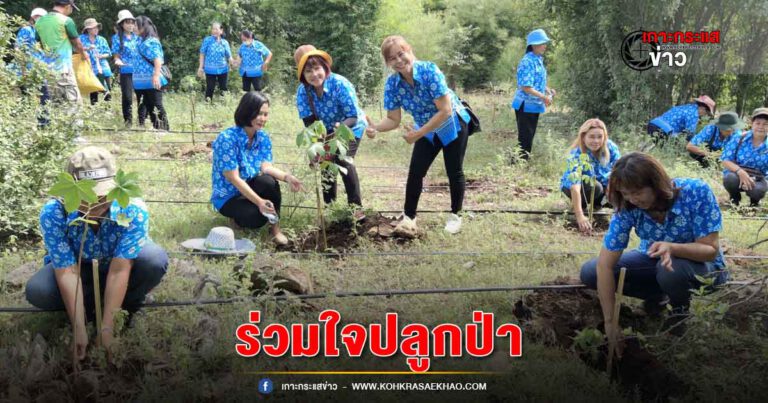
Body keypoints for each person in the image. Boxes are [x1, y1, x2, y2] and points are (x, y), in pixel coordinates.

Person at [25, 146, 168, 359]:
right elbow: (66, 270)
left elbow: (120, 269)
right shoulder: (54, 212)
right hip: (78, 269)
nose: (95, 202)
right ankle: (88, 309)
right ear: (71, 189)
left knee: (153, 260)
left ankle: (124, 306)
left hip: (121, 266)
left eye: (102, 194)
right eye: (86, 194)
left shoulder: (132, 207)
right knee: (39, 290)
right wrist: (79, 328)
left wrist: (107, 329)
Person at [580, 152, 727, 339]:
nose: (632, 199)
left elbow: (710, 251)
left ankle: (678, 311)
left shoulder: (696, 192)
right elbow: (605, 264)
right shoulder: (627, 206)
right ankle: (658, 296)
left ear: (656, 184)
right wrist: (610, 322)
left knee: (671, 269)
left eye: (637, 192)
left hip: (703, 267)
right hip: (654, 260)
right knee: (591, 271)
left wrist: (673, 248)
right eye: (625, 193)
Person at [365, 35, 471, 235]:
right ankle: (409, 217)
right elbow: (393, 119)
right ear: (387, 63)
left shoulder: (429, 71)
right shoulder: (392, 85)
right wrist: (376, 128)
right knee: (416, 172)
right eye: (392, 58)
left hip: (452, 122)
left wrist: (418, 134)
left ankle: (456, 216)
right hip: (425, 127)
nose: (398, 60)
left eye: (401, 53)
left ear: (409, 51)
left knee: (454, 170)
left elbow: (445, 110)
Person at [211, 91, 304, 246]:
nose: (263, 119)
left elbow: (266, 167)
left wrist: (288, 177)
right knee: (256, 218)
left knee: (269, 182)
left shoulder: (262, 137)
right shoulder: (226, 139)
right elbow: (234, 178)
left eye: (266, 114)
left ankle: (275, 229)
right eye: (259, 113)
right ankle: (236, 219)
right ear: (247, 111)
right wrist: (260, 202)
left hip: (249, 185)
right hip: (229, 195)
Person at [294, 45, 366, 208]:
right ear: (302, 74)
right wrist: (318, 147)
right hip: (325, 131)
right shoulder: (303, 92)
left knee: (343, 160)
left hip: (350, 127)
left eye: (317, 68)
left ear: (324, 67)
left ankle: (355, 209)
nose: (314, 74)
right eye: (307, 71)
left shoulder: (340, 84)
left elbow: (352, 117)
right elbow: (310, 123)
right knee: (326, 163)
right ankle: (329, 207)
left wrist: (336, 132)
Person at [560, 118, 621, 234]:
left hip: (604, 187)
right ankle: (580, 206)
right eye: (592, 137)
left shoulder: (610, 148)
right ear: (583, 137)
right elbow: (575, 186)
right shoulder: (577, 153)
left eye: (599, 137)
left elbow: (618, 172)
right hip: (580, 188)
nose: (596, 141)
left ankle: (600, 205)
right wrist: (579, 216)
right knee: (595, 186)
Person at [34, 0, 87, 124]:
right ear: (68, 6)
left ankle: (56, 135)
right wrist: (84, 56)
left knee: (55, 104)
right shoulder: (66, 21)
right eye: (72, 8)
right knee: (74, 102)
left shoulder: (40, 21)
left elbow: (39, 43)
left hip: (47, 70)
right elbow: (77, 43)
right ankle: (74, 136)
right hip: (64, 70)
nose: (71, 11)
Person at [510, 29, 556, 162]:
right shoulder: (527, 61)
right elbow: (525, 86)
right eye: (542, 43)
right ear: (534, 45)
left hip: (534, 104)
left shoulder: (537, 60)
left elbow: (536, 81)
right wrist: (544, 97)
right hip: (525, 105)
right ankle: (518, 164)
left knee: (528, 136)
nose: (545, 46)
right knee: (525, 137)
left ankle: (519, 162)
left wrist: (547, 90)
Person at [720, 108, 768, 207]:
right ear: (752, 123)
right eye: (758, 123)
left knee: (758, 190)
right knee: (729, 179)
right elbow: (725, 160)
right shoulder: (739, 138)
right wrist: (740, 172)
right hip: (737, 174)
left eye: (765, 124)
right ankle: (734, 199)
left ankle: (754, 203)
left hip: (758, 178)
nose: (761, 127)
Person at [133, 16, 169, 130]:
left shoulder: (151, 41)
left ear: (143, 27)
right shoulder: (139, 39)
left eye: (136, 25)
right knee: (148, 105)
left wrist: (156, 76)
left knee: (157, 104)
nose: (133, 27)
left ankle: (164, 128)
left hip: (152, 78)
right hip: (140, 80)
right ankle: (156, 127)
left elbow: (157, 59)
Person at [111, 10, 143, 127]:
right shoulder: (116, 38)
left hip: (140, 71)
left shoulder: (138, 38)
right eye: (127, 23)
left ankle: (142, 121)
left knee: (142, 97)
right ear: (122, 24)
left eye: (132, 22)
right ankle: (128, 122)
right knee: (128, 97)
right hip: (126, 71)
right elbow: (116, 56)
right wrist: (118, 60)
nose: (130, 25)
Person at [647, 95, 715, 140]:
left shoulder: (686, 107)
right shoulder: (694, 114)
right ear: (703, 108)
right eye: (706, 113)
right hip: (665, 130)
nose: (704, 115)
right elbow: (690, 135)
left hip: (653, 124)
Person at [79, 18, 112, 105]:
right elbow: (76, 49)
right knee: (93, 89)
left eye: (97, 27)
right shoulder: (81, 38)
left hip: (103, 66)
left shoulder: (102, 39)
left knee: (108, 90)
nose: (96, 29)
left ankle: (107, 110)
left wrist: (101, 56)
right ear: (88, 29)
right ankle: (94, 107)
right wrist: (87, 48)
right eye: (94, 28)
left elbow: (108, 53)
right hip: (89, 67)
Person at [198, 22, 234, 101]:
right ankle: (207, 105)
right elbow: (202, 54)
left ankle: (224, 105)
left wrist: (233, 63)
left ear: (221, 31)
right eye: (213, 29)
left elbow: (229, 56)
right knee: (210, 88)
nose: (214, 31)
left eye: (216, 29)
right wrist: (201, 67)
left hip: (223, 69)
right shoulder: (207, 40)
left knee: (223, 88)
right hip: (210, 69)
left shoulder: (225, 42)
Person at [15, 8, 47, 72]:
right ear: (33, 17)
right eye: (38, 16)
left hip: (41, 67)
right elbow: (17, 48)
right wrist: (22, 67)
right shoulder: (26, 29)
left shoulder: (44, 31)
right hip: (27, 65)